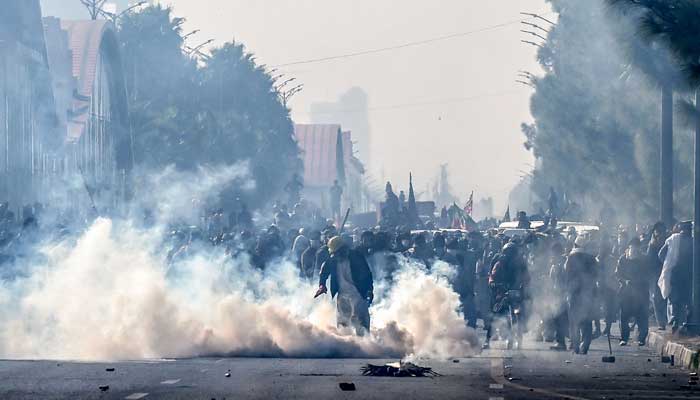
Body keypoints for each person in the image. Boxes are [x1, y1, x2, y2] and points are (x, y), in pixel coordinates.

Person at [316, 236, 374, 335]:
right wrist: (322, 285)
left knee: (361, 321)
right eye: (334, 253)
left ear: (343, 249)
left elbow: (367, 274)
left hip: (358, 293)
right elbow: (324, 272)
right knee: (343, 322)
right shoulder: (333, 260)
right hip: (342, 294)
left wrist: (369, 290)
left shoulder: (357, 257)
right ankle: (345, 345)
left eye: (337, 252)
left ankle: (365, 343)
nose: (336, 255)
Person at [564, 234, 598, 355]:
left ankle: (575, 345)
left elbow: (566, 277)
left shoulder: (570, 258)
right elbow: (596, 276)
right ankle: (585, 345)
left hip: (574, 293)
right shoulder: (592, 259)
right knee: (587, 320)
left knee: (574, 321)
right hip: (589, 293)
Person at [658, 221, 693, 333]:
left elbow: (661, 254)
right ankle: (686, 322)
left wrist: (668, 263)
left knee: (674, 299)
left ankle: (674, 321)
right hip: (688, 274)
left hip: (675, 273)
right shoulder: (693, 241)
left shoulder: (673, 239)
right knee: (686, 298)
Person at [616, 238, 651, 346]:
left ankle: (641, 339)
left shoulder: (644, 259)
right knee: (624, 317)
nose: (634, 249)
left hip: (642, 292)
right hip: (626, 293)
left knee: (642, 317)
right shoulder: (623, 259)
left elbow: (648, 275)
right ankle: (624, 338)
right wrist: (625, 281)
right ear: (629, 247)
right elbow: (618, 274)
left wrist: (640, 282)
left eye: (636, 247)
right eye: (632, 246)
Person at [647, 222, 669, 330]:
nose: (659, 233)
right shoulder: (651, 245)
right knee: (656, 298)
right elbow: (649, 260)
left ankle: (666, 319)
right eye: (657, 231)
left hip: (667, 272)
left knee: (666, 296)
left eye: (661, 230)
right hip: (655, 274)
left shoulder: (668, 242)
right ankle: (661, 322)